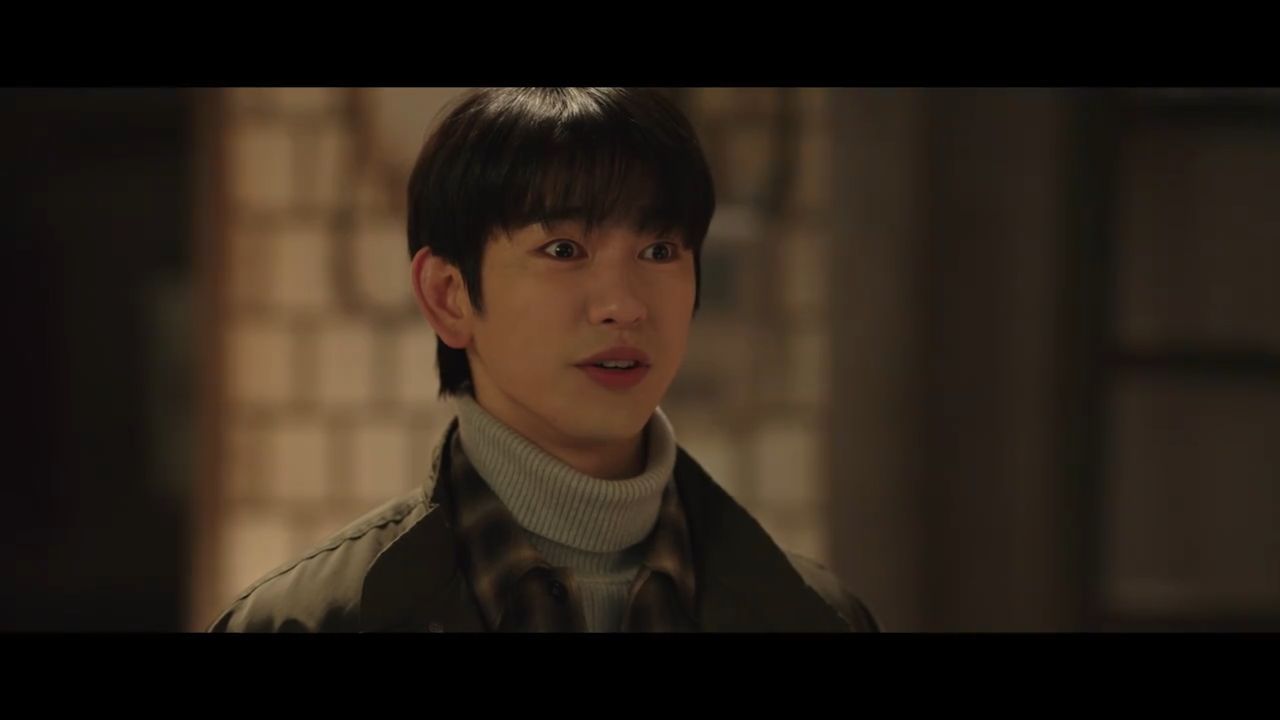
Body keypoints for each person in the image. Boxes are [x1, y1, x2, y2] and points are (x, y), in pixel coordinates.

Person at [208, 87, 879, 633]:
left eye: (659, 252)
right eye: (563, 250)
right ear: (449, 295)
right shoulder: (308, 622)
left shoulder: (814, 617)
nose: (623, 305)